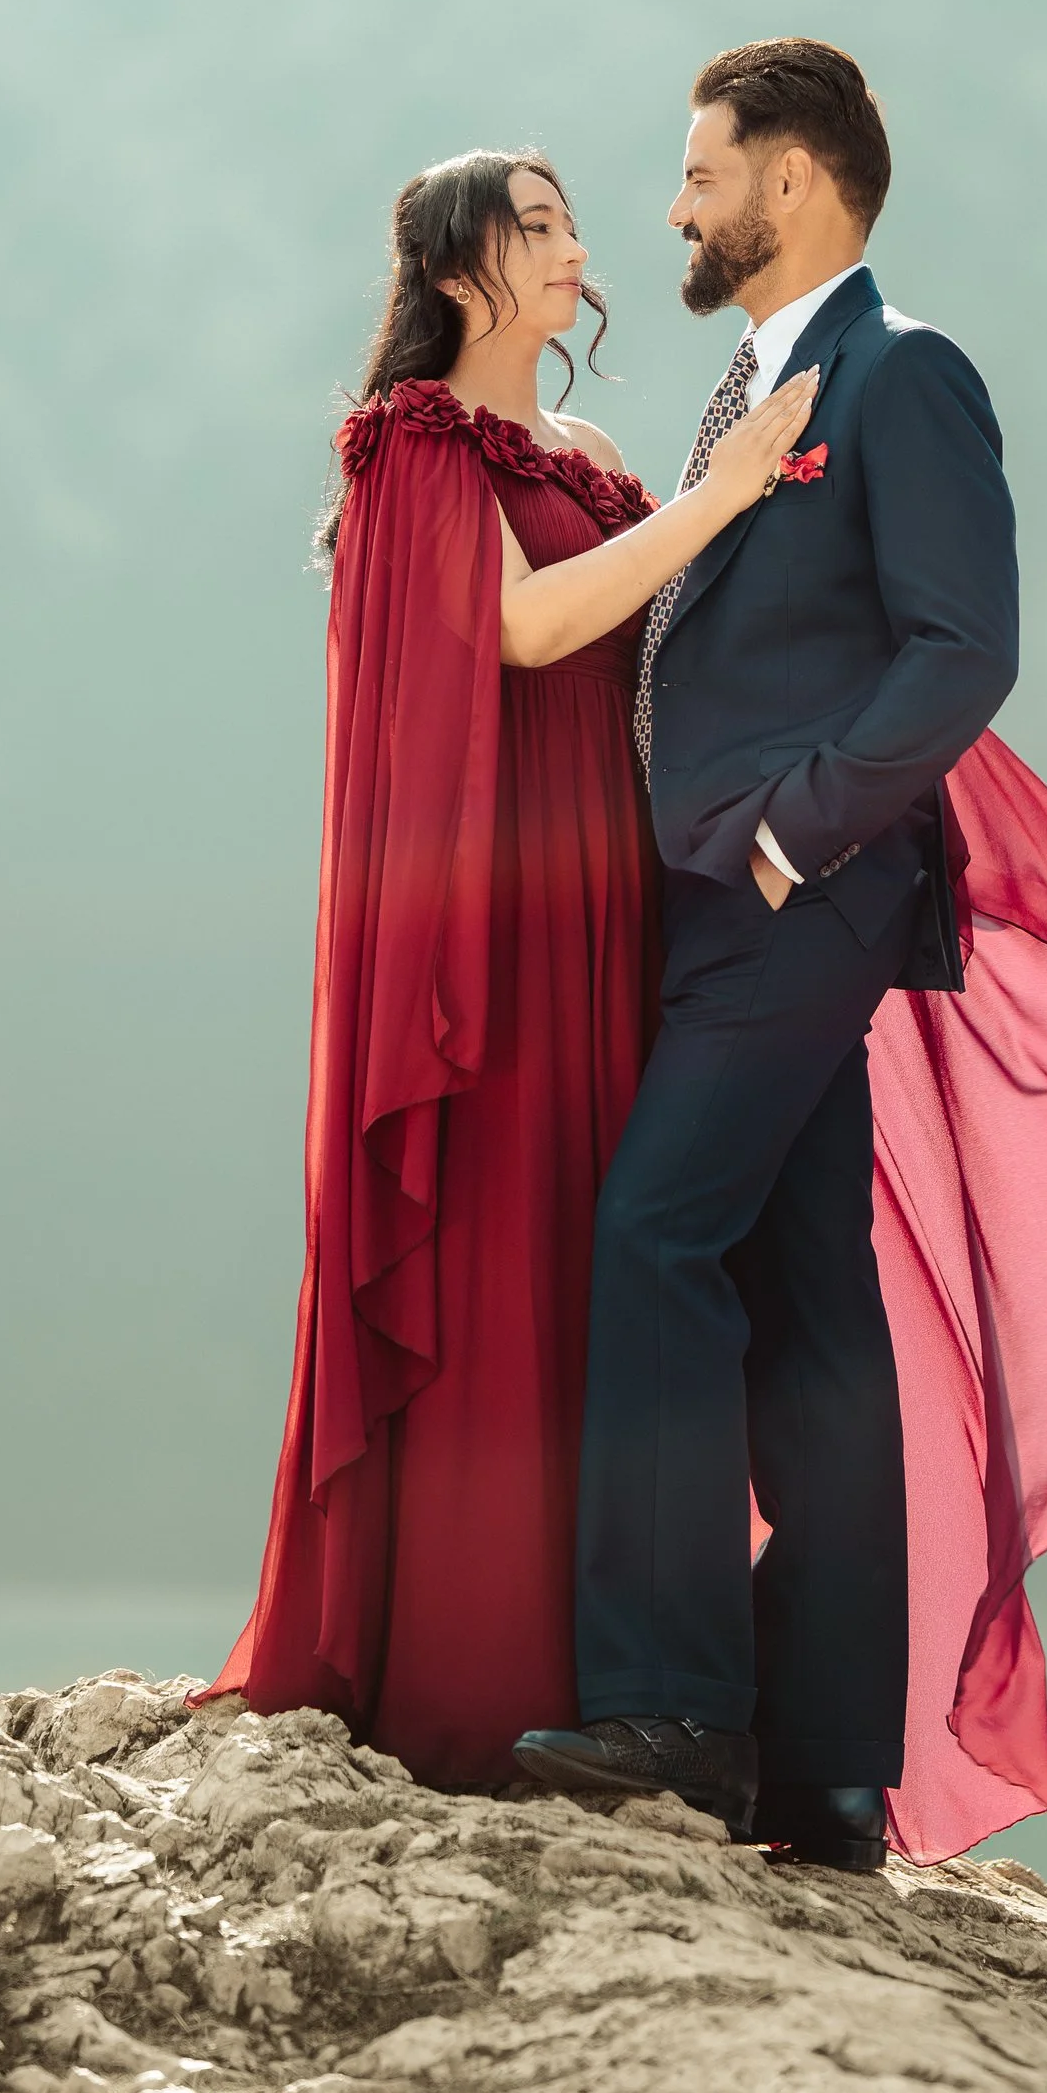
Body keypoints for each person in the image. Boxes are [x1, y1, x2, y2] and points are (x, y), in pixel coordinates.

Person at [226, 85, 1047, 1867]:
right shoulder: (670, 416)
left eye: (695, 173)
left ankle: (680, 1708)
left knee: (653, 1236)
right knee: (814, 1313)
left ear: (790, 178)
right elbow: (566, 630)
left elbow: (961, 647)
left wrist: (801, 837)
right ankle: (833, 1768)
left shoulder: (887, 374)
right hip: (676, 915)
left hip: (779, 900)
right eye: (562, 217)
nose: (654, 215)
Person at [213, 148, 817, 1787]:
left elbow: (665, 630)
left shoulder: (595, 449)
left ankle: (614, 1673)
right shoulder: (410, 443)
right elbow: (530, 629)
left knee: (604, 1264)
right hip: (494, 925)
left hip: (614, 897)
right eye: (533, 227)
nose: (571, 248)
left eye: (569, 222)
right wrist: (728, 491)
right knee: (504, 1251)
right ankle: (469, 1672)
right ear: (461, 272)